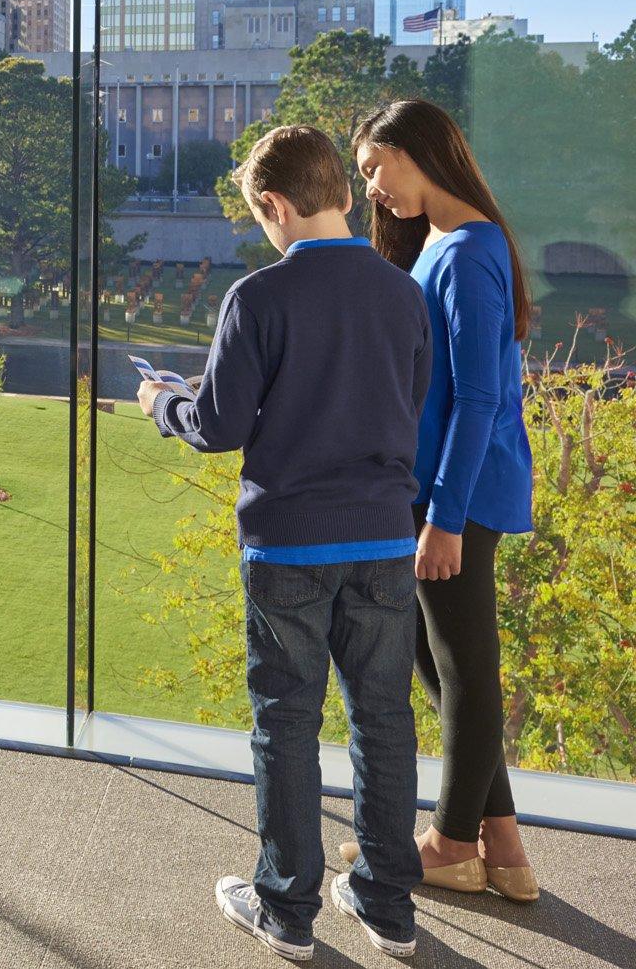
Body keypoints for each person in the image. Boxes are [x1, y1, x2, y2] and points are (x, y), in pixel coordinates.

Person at [138, 125, 429, 961]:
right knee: (383, 720)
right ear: (338, 187)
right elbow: (402, 405)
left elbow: (220, 425)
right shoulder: (403, 295)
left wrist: (166, 402)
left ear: (273, 203)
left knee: (287, 724)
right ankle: (386, 905)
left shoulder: (259, 298)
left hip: (290, 547)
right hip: (381, 539)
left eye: (258, 214)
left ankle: (288, 910)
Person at [350, 99, 539, 904]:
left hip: (460, 496)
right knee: (443, 666)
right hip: (435, 491)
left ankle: (452, 840)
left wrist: (446, 516)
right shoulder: (443, 243)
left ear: (418, 151)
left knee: (462, 670)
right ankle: (504, 845)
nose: (372, 191)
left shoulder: (467, 251)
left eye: (374, 170)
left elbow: (483, 398)